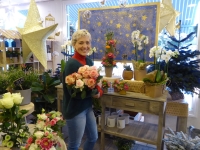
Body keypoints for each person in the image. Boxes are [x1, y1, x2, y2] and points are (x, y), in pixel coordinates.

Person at [62, 29, 103, 150]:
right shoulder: (71, 64)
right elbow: (73, 93)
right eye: (80, 43)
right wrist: (94, 92)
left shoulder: (89, 61)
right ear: (74, 44)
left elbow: (95, 83)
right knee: (74, 144)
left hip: (87, 107)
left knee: (93, 138)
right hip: (75, 109)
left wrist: (99, 90)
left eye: (87, 42)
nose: (85, 46)